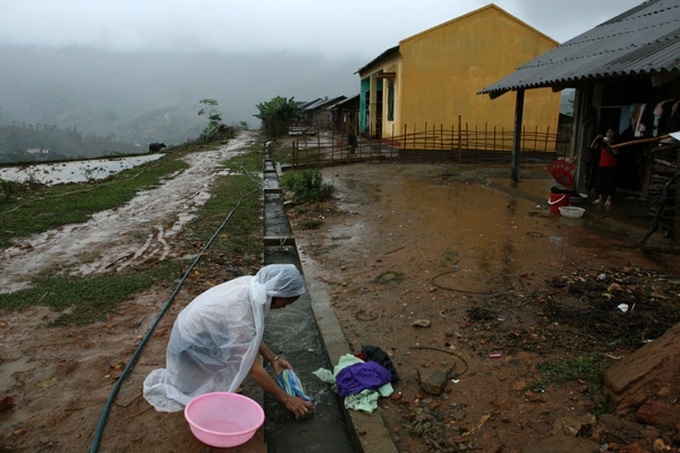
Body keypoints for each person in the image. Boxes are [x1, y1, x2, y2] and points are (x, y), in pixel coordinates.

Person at [143, 264, 315, 417]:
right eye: (285, 301)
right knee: (233, 369)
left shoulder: (255, 286)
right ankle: (194, 374)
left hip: (197, 331)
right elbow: (254, 369)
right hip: (189, 345)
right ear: (277, 291)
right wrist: (287, 400)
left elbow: (250, 337)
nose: (283, 307)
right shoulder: (244, 308)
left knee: (237, 358)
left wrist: (274, 359)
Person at [589, 128, 619, 206]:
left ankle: (609, 199)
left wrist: (609, 144)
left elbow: (616, 152)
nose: (609, 133)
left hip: (611, 165)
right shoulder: (602, 142)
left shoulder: (616, 142)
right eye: (607, 132)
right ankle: (600, 199)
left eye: (611, 132)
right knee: (600, 182)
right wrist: (596, 138)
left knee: (610, 182)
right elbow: (592, 147)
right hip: (602, 164)